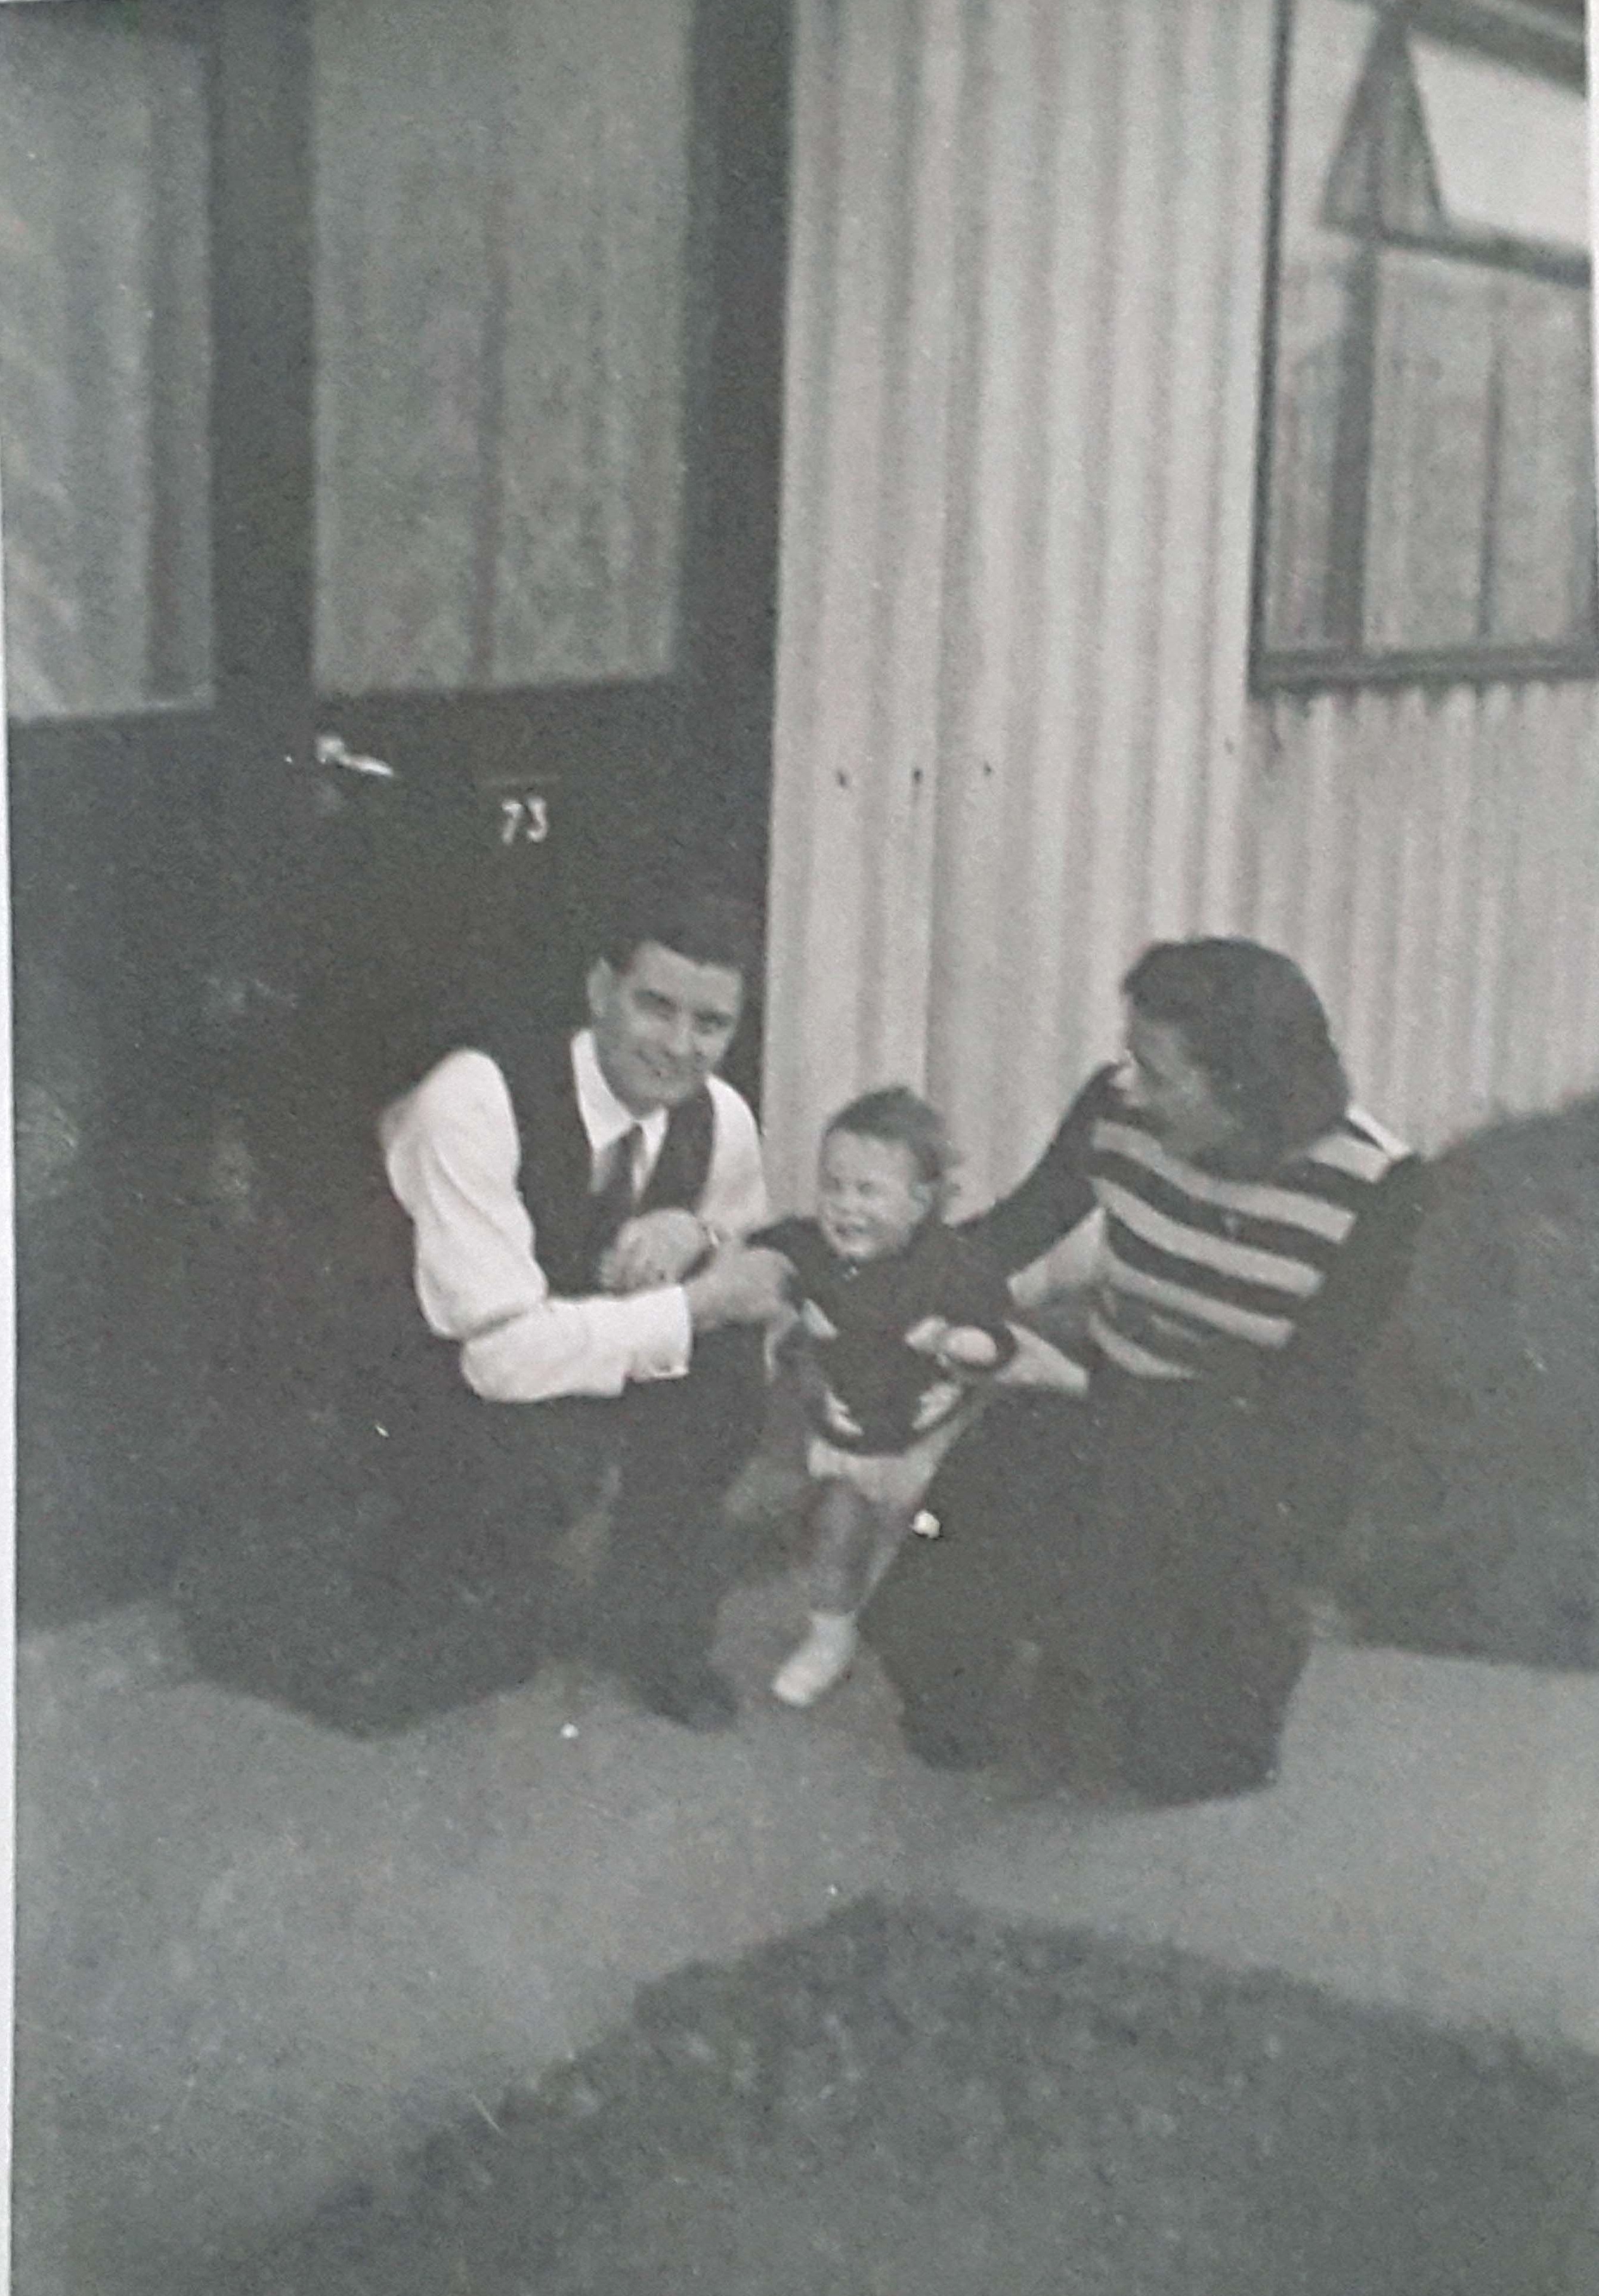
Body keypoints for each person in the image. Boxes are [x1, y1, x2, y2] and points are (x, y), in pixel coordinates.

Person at [863, 938, 1429, 1804]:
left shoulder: (1377, 1185)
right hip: (1105, 1399)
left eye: (1157, 1071)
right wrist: (871, 1278)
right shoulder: (1117, 1110)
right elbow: (1014, 1231)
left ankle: (1127, 1655)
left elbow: (1311, 1399)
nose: (1128, 1084)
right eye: (1129, 1056)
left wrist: (1126, 1424)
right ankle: (1043, 1648)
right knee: (941, 1692)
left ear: (1242, 1088)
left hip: (1247, 1456)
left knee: (1190, 1764)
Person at [379, 880, 793, 1731]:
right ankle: (482, 1576)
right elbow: (494, 1354)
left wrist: (698, 1233)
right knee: (454, 1644)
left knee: (727, 1374)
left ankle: (658, 1631)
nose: (680, 1047)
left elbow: (745, 1256)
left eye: (710, 1025)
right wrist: (698, 1301)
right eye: (655, 1007)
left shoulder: (722, 1118)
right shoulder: (476, 1097)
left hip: (565, 1348)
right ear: (601, 989)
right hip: (421, 1371)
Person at [750, 1089, 1022, 1708]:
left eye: (866, 1192)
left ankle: (950, 1639)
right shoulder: (811, 1249)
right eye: (832, 1187)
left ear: (920, 1202)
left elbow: (999, 1334)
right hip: (846, 1435)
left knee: (931, 1545)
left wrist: (965, 1341)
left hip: (925, 1443)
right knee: (836, 1531)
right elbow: (763, 1249)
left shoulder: (953, 1267)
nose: (844, 1207)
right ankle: (830, 1636)